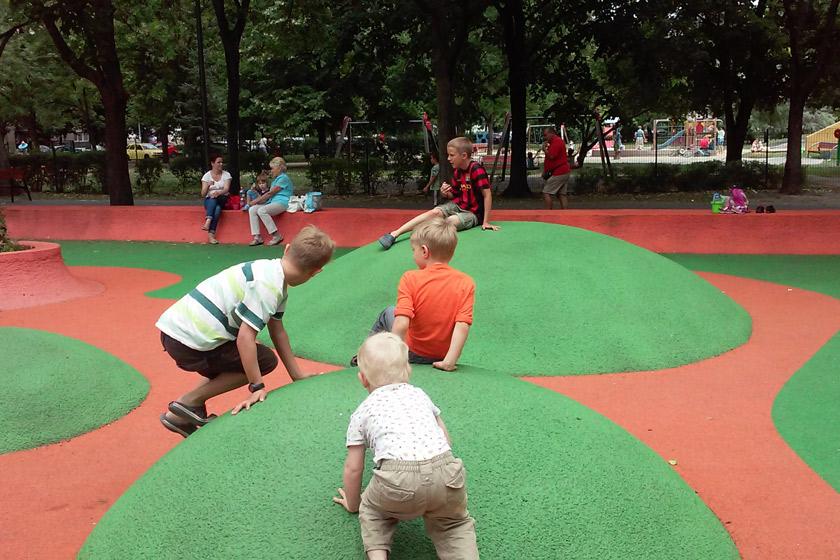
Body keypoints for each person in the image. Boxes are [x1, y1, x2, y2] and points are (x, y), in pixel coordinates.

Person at [156, 226, 336, 437]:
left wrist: (296, 375)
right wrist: (256, 386)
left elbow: (277, 330)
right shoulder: (269, 288)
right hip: (191, 340)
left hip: (176, 332)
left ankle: (179, 415)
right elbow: (245, 338)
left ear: (286, 249)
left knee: (238, 358)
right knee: (263, 361)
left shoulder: (268, 271)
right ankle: (189, 402)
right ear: (316, 272)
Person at [333, 332, 479, 560]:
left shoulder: (362, 411)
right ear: (408, 371)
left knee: (373, 512)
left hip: (396, 481)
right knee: (454, 525)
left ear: (362, 379)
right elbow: (445, 438)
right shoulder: (420, 395)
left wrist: (354, 503)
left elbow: (353, 467)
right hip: (446, 472)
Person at [356, 218, 474, 371]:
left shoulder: (410, 278)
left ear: (424, 251)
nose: (413, 255)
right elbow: (462, 325)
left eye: (414, 250)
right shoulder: (466, 282)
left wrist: (396, 359)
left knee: (388, 312)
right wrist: (449, 361)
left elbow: (402, 322)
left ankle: (366, 358)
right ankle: (449, 360)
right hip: (441, 355)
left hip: (413, 353)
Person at [378, 137, 500, 250]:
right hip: (459, 205)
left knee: (448, 222)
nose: (448, 158)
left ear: (464, 155)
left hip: (473, 213)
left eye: (452, 155)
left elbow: (487, 194)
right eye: (448, 155)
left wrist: (485, 221)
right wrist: (446, 193)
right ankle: (395, 234)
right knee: (435, 212)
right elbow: (454, 195)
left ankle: (420, 237)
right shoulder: (457, 171)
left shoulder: (476, 169)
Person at [248, 157, 292, 246]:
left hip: (282, 203)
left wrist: (255, 201)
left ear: (279, 168)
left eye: (272, 168)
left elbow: (270, 193)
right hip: (272, 202)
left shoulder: (283, 178)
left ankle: (276, 236)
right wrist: (256, 200)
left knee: (262, 210)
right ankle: (257, 237)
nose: (271, 171)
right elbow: (268, 196)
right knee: (252, 209)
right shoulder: (276, 180)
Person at [200, 154, 231, 245]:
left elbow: (226, 189)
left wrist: (218, 193)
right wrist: (208, 185)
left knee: (214, 197)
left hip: (222, 198)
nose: (221, 164)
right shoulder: (206, 176)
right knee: (216, 209)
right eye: (218, 162)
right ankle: (211, 235)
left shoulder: (226, 174)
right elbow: (203, 194)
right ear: (212, 163)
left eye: (222, 162)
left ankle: (208, 221)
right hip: (209, 200)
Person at [542, 127, 571, 210]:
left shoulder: (557, 142)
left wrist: (544, 150)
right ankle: (565, 213)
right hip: (563, 171)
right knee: (562, 194)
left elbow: (551, 156)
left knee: (546, 192)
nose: (545, 137)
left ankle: (549, 212)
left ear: (551, 133)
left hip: (559, 172)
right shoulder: (555, 142)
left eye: (545, 135)